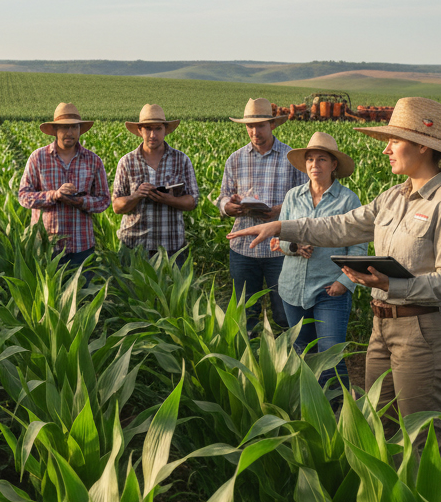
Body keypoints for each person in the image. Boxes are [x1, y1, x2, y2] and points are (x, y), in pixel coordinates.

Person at [228, 98, 441, 471]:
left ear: (423, 146)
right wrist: (282, 226)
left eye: (394, 140)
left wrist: (393, 286)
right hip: (383, 328)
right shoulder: (393, 197)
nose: (386, 148)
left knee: (423, 439)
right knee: (380, 426)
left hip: (422, 331)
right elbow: (340, 226)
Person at [269, 132, 364, 395]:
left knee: (331, 356)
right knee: (303, 354)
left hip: (329, 289)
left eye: (322, 159)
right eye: (310, 159)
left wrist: (344, 282)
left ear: (334, 165)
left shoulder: (348, 200)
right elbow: (281, 239)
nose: (314, 165)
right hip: (292, 289)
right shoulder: (293, 196)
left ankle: (339, 413)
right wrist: (295, 246)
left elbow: (358, 246)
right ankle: (311, 408)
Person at [218, 98, 308, 333]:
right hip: (243, 247)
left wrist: (277, 212)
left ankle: (287, 360)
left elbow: (305, 202)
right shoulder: (235, 159)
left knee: (284, 312)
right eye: (250, 126)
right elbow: (223, 198)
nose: (254, 131)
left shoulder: (291, 159)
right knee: (246, 312)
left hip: (280, 248)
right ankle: (251, 359)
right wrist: (231, 207)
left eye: (260, 126)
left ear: (272, 125)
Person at [18, 103, 110, 270]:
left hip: (81, 246)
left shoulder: (93, 160)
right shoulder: (38, 158)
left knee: (82, 294)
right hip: (46, 246)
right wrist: (54, 195)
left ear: (80, 130)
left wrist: (80, 201)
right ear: (55, 130)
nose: (69, 132)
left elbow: (104, 200)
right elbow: (24, 196)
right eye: (64, 127)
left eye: (74, 127)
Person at [112, 104, 199, 266]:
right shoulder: (127, 162)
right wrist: (136, 195)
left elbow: (192, 201)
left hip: (171, 248)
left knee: (171, 291)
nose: (153, 134)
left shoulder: (181, 160)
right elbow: (117, 206)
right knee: (132, 292)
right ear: (140, 131)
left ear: (165, 130)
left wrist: (167, 199)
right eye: (148, 128)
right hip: (133, 246)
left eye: (158, 129)